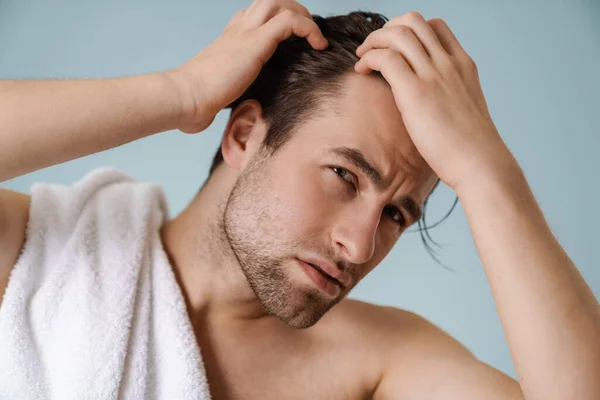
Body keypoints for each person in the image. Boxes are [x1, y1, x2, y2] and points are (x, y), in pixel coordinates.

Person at [0, 1, 598, 399]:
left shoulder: (378, 363)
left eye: (395, 214)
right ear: (242, 135)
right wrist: (181, 92)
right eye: (343, 174)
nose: (360, 244)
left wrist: (487, 171)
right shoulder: (38, 258)